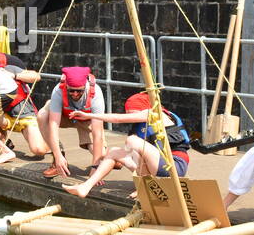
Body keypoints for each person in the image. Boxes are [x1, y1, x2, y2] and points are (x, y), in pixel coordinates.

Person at [63, 91, 191, 198]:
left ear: (144, 107)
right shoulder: (140, 124)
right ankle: (85, 187)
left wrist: (88, 115)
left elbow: (118, 119)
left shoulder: (155, 114)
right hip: (156, 165)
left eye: (132, 111)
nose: (130, 114)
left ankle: (145, 188)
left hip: (173, 166)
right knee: (113, 151)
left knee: (131, 140)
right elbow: (132, 155)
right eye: (128, 111)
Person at [38, 66, 107, 179]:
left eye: (79, 91)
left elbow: (97, 133)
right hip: (65, 115)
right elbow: (53, 125)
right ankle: (58, 161)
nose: (75, 94)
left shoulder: (96, 94)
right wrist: (58, 155)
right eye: (71, 90)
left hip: (86, 118)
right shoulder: (58, 90)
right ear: (67, 86)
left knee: (100, 154)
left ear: (85, 86)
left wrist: (95, 167)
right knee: (42, 115)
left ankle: (110, 158)